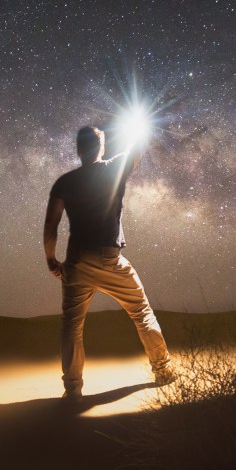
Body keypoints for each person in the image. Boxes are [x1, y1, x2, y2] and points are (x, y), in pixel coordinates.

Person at [43, 125, 173, 401]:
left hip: (77, 262)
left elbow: (51, 226)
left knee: (71, 327)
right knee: (142, 313)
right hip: (110, 259)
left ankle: (73, 390)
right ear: (101, 147)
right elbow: (140, 145)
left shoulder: (64, 183)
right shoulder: (115, 167)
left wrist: (52, 259)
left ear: (78, 150)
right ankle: (163, 371)